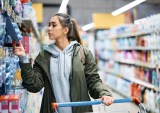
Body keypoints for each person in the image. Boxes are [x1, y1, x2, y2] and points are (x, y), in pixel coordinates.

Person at [12, 13, 114, 113]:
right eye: (49, 25)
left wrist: (104, 93)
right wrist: (23, 58)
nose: (49, 28)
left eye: (54, 25)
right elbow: (34, 85)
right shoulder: (44, 57)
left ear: (65, 30)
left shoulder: (83, 53)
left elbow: (93, 80)